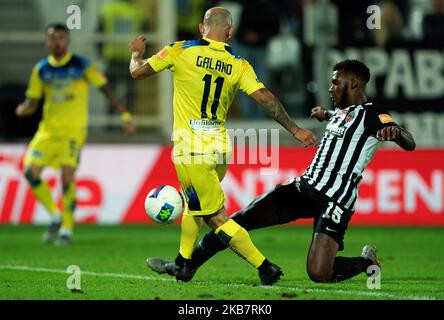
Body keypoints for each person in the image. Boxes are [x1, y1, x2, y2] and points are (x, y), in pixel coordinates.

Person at [148, 59, 416, 283]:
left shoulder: (373, 114)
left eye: (336, 82)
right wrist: (325, 114)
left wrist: (396, 133)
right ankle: (186, 265)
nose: (331, 87)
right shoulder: (340, 113)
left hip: (335, 199)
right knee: (239, 220)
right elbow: (340, 121)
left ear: (354, 83)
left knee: (319, 273)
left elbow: (408, 141)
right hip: (304, 187)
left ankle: (367, 262)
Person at [129, 7, 317, 285]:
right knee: (195, 206)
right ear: (230, 32)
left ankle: (265, 267)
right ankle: (182, 264)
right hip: (219, 149)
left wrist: (135, 54)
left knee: (216, 217)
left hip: (190, 148)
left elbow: (137, 73)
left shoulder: (180, 50)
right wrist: (295, 128)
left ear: (201, 29)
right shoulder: (239, 63)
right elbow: (265, 98)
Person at [16, 23, 135, 245]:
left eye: (61, 37)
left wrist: (124, 115)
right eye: (52, 38)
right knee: (30, 172)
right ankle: (55, 215)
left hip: (73, 131)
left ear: (67, 40)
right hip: (47, 131)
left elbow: (106, 88)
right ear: (46, 41)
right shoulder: (41, 69)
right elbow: (32, 101)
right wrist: (24, 108)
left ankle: (66, 230)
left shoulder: (82, 65)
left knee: (67, 176)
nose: (57, 42)